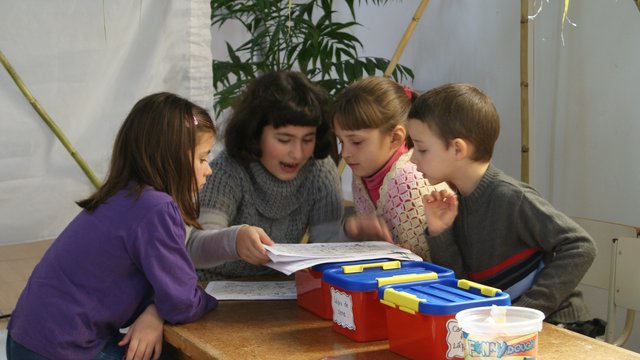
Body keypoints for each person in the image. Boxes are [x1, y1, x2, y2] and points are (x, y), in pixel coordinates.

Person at [6, 92, 219, 360]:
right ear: (171, 158)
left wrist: (155, 310)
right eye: (202, 158)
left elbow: (171, 290)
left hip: (26, 340)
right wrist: (213, 301)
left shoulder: (123, 196)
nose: (208, 169)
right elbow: (181, 302)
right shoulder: (157, 208)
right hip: (62, 349)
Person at [407, 82, 596, 325]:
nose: (412, 158)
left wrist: (526, 311)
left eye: (421, 149)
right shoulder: (459, 201)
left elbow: (581, 246)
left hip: (561, 327)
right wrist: (440, 231)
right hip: (503, 331)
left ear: (457, 148)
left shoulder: (510, 197)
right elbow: (462, 288)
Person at [187, 71, 392, 281]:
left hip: (279, 290)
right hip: (211, 288)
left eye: (307, 139)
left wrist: (351, 232)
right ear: (255, 134)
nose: (298, 153)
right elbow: (194, 247)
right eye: (285, 140)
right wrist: (234, 240)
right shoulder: (228, 170)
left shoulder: (320, 171)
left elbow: (325, 246)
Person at [332, 76, 449, 261]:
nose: (345, 153)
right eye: (341, 141)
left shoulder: (412, 182)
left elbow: (436, 263)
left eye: (356, 142)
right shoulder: (361, 176)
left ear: (395, 138)